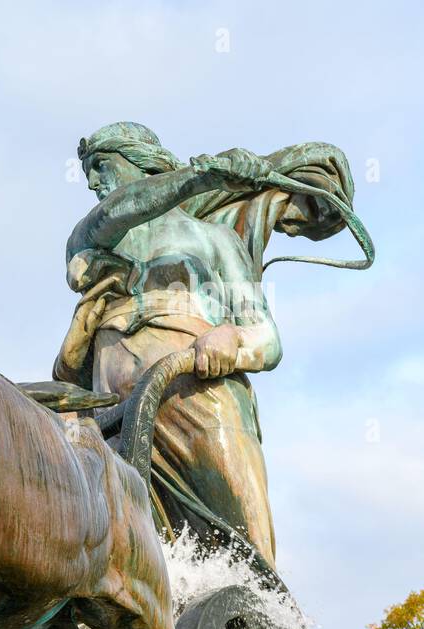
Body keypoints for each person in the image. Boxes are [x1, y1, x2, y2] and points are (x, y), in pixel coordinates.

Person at [54, 122, 357, 566]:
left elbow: (267, 338)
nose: (95, 183)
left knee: (244, 539)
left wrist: (231, 339)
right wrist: (204, 177)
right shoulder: (95, 235)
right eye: (88, 174)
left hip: (200, 397)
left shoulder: (216, 242)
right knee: (110, 555)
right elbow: (121, 207)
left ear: (140, 162)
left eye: (102, 167)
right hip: (112, 416)